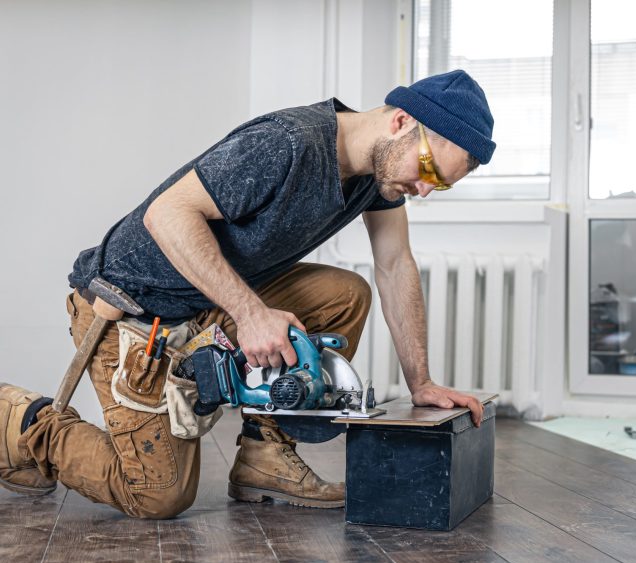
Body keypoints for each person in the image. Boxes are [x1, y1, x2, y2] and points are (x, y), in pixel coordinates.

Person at [0, 70, 495, 518]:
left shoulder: (378, 178)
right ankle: (16, 421)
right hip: (131, 311)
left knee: (344, 294)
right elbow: (166, 214)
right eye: (428, 170)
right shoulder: (287, 144)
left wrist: (422, 382)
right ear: (401, 122)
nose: (424, 190)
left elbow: (394, 263)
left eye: (440, 186)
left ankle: (265, 455)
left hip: (203, 307)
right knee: (155, 496)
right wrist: (251, 313)